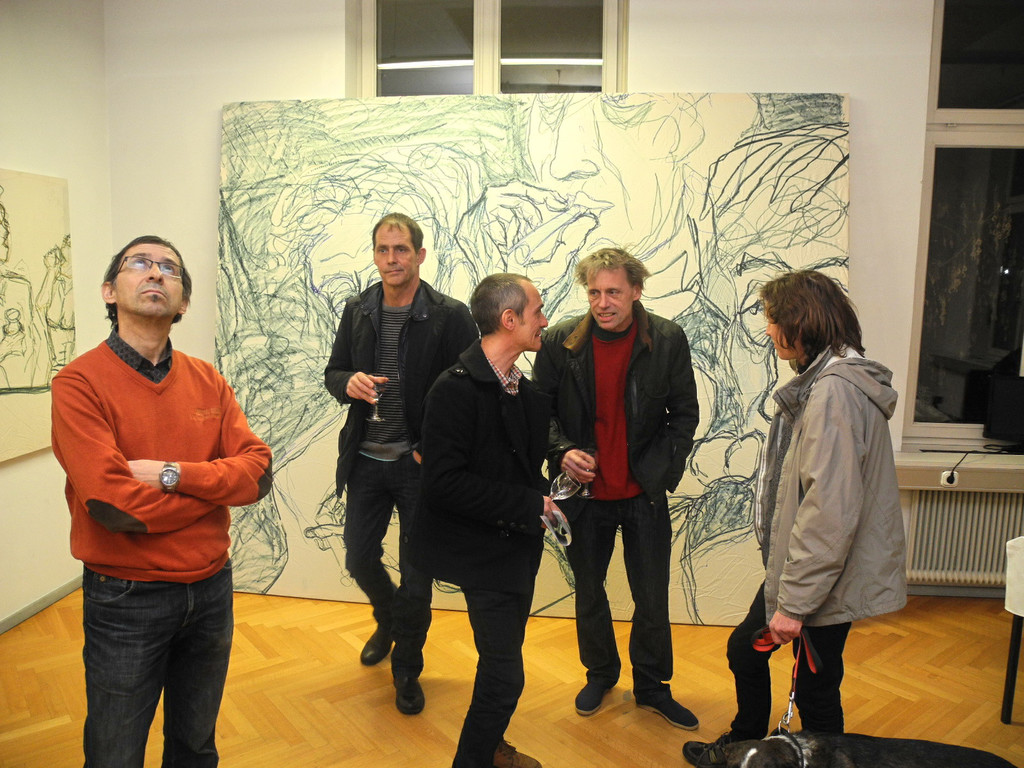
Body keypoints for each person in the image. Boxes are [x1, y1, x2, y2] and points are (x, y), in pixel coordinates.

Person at [50, 235, 273, 767]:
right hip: (127, 596)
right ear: (110, 291)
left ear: (184, 302)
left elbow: (260, 472)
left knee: (195, 747)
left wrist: (173, 475)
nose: (155, 273)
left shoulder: (207, 379)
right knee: (115, 752)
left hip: (211, 589)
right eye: (140, 263)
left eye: (169, 268)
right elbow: (113, 507)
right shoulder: (78, 384)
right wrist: (216, 491)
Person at [682, 270, 907, 767]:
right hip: (816, 568)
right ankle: (748, 744)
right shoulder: (830, 381)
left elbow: (829, 509)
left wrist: (795, 604)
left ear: (799, 323)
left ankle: (805, 755)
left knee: (812, 686)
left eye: (772, 319)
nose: (767, 330)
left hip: (823, 574)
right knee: (762, 658)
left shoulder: (834, 392)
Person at [531, 246, 700, 729]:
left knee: (652, 597)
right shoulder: (561, 340)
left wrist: (660, 473)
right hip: (584, 497)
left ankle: (652, 686)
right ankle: (600, 674)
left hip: (643, 494)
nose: (602, 303)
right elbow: (538, 411)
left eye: (613, 292)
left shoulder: (666, 339)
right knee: (589, 592)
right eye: (594, 293)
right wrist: (562, 450)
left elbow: (684, 415)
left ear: (636, 291)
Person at [324, 212, 478, 714]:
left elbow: (469, 391)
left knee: (417, 576)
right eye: (383, 250)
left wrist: (435, 449)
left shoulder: (449, 315)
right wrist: (347, 382)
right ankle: (388, 619)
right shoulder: (358, 309)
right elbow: (334, 371)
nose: (392, 259)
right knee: (358, 557)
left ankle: (407, 669)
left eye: (401, 249)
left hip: (418, 466)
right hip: (366, 460)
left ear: (420, 255)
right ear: (375, 255)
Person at [411, 273, 557, 768]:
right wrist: (530, 505)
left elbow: (516, 470)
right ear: (509, 319)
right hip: (480, 554)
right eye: (537, 311)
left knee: (501, 664)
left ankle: (492, 747)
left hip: (515, 550)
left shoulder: (524, 392)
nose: (544, 320)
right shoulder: (453, 390)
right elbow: (442, 483)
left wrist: (556, 480)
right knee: (505, 676)